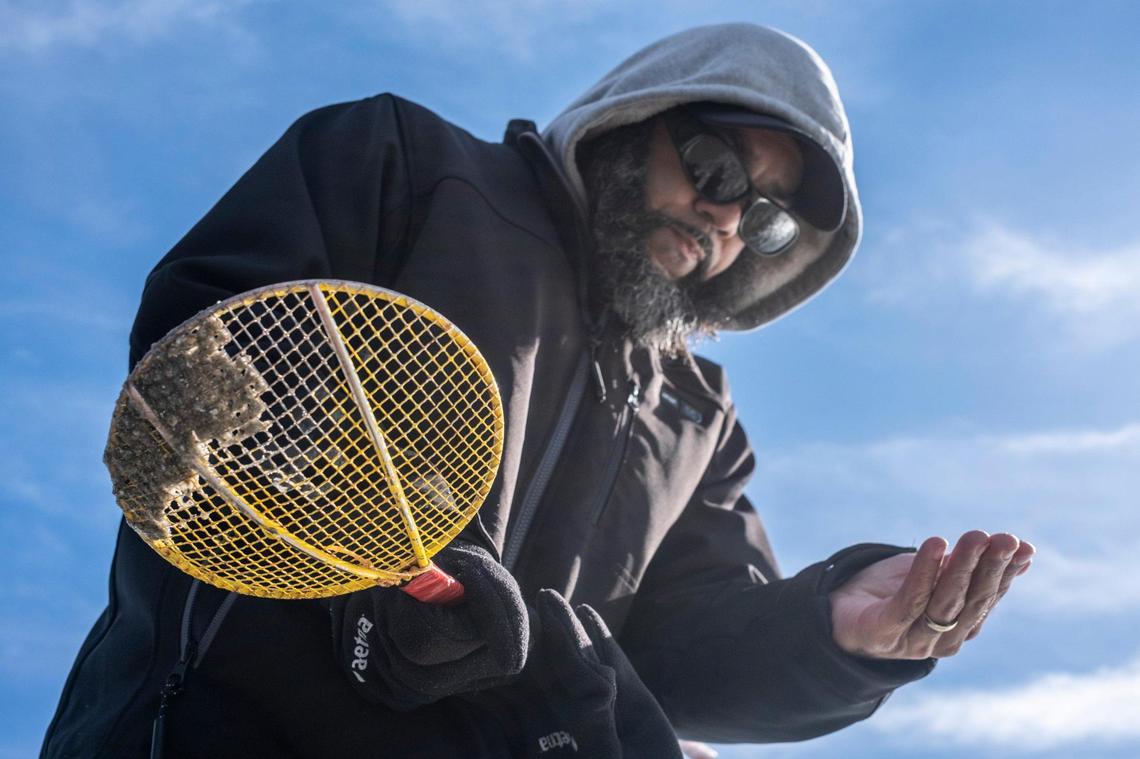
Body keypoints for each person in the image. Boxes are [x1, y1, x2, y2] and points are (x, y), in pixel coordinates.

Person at [42, 22, 1034, 758]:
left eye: (767, 222)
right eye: (714, 164)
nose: (727, 222)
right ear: (630, 122)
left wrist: (832, 631)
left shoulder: (700, 420)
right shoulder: (406, 168)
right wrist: (392, 583)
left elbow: (682, 657)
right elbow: (219, 367)